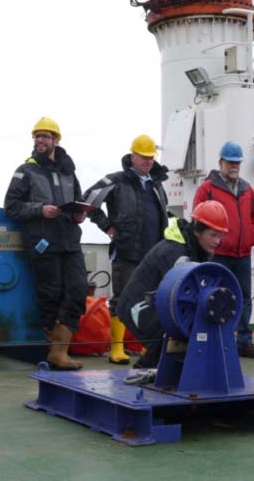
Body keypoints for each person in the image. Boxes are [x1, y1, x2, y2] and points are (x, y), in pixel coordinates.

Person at [4, 116, 88, 370]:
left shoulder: (69, 172)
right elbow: (11, 207)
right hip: (42, 242)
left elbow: (79, 199)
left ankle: (59, 349)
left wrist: (79, 213)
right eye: (36, 136)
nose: (39, 141)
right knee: (50, 294)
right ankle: (57, 351)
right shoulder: (25, 170)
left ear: (56, 140)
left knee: (78, 288)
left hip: (69, 240)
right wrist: (41, 209)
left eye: (45, 136)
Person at [83, 134, 168, 364]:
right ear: (132, 156)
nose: (148, 161)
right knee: (121, 298)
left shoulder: (157, 185)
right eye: (143, 157)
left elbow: (162, 216)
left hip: (153, 253)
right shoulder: (116, 180)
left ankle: (143, 346)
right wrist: (107, 226)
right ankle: (116, 349)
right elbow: (87, 200)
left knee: (150, 300)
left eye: (151, 157)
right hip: (126, 252)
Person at [116, 201, 229, 369]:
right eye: (213, 235)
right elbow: (177, 295)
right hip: (138, 306)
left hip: (154, 303)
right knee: (169, 335)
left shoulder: (198, 248)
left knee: (176, 334)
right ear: (198, 231)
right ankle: (145, 371)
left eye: (220, 235)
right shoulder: (175, 252)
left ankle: (156, 370)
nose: (218, 241)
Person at [193, 141, 254, 358]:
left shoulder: (247, 189)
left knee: (244, 298)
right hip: (218, 254)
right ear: (221, 163)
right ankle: (217, 340)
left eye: (237, 163)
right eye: (230, 162)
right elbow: (197, 218)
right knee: (214, 297)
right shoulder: (207, 189)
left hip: (242, 255)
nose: (234, 166)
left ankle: (244, 341)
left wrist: (251, 237)